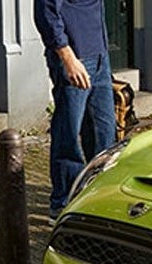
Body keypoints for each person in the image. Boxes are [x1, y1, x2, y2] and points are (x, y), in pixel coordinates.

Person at [34, 0, 117, 222]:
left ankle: (97, 198)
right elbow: (46, 12)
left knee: (104, 133)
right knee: (68, 133)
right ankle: (62, 204)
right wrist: (67, 57)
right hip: (75, 57)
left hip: (99, 55)